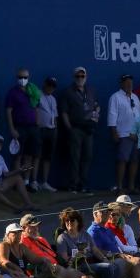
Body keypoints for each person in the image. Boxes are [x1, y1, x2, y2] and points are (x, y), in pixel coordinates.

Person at [19, 214, 128, 278]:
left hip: (60, 268)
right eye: (32, 227)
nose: (35, 228)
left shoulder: (41, 239)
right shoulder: (22, 242)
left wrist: (70, 260)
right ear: (23, 228)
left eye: (37, 226)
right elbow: (28, 261)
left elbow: (55, 256)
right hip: (45, 271)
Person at [55, 208, 122, 278]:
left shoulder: (85, 234)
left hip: (91, 262)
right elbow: (65, 261)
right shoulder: (62, 238)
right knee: (108, 268)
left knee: (114, 266)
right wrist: (75, 257)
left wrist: (105, 259)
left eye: (72, 220)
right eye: (66, 220)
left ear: (78, 222)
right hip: (78, 266)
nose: (69, 222)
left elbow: (95, 250)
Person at [59, 66, 99, 194]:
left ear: (86, 77)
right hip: (75, 128)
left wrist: (95, 118)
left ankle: (83, 184)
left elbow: (97, 106)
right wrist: (69, 128)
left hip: (88, 130)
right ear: (74, 77)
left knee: (87, 156)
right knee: (74, 157)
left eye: (82, 76)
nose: (80, 78)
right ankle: (73, 185)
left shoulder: (91, 90)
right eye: (78, 76)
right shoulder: (68, 92)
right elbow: (64, 112)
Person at [4, 67, 40, 184]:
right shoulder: (12, 92)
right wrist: (12, 129)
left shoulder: (33, 90)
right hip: (19, 127)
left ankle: (26, 180)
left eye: (25, 77)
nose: (23, 79)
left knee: (29, 156)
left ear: (28, 78)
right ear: (17, 78)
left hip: (32, 127)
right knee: (18, 156)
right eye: (20, 77)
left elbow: (36, 108)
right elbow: (8, 111)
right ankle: (16, 181)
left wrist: (37, 122)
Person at [107, 74, 140, 194]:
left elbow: (139, 116)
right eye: (126, 83)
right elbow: (112, 115)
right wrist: (114, 132)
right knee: (122, 160)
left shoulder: (135, 98)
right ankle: (119, 187)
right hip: (123, 134)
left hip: (136, 135)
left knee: (134, 161)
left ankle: (131, 187)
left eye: (131, 83)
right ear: (121, 84)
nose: (129, 85)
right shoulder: (115, 97)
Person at [35, 77, 59, 192]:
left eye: (53, 86)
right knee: (37, 156)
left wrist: (55, 129)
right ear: (44, 84)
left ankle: (44, 182)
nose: (50, 88)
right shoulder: (38, 94)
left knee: (47, 157)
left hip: (51, 131)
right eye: (49, 85)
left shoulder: (53, 99)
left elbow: (55, 116)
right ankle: (33, 181)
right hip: (40, 130)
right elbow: (34, 110)